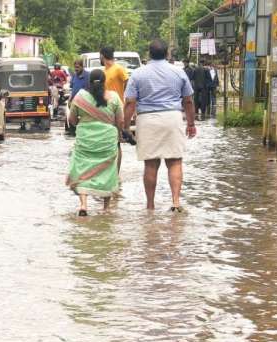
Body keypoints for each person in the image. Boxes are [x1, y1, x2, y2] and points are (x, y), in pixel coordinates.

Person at [123, 39, 197, 212]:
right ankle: (176, 202)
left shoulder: (138, 74)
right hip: (172, 118)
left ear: (149, 53)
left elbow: (130, 103)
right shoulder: (178, 72)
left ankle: (150, 206)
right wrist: (191, 123)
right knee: (175, 161)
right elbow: (188, 101)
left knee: (150, 164)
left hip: (147, 120)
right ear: (167, 54)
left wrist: (125, 127)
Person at [66, 69, 125, 216]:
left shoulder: (80, 97)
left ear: (89, 82)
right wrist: (119, 135)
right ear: (105, 82)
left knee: (81, 169)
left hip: (85, 140)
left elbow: (72, 121)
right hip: (107, 141)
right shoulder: (114, 98)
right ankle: (105, 208)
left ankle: (83, 205)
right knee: (108, 171)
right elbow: (120, 121)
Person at [100, 46, 129, 173]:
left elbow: (128, 81)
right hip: (105, 109)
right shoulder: (103, 71)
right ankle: (107, 170)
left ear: (102, 56)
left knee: (116, 141)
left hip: (117, 109)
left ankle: (116, 173)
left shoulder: (118, 69)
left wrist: (125, 99)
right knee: (106, 140)